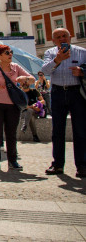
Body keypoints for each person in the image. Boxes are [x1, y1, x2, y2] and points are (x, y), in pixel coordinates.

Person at [41, 28, 86, 178]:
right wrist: (57, 59)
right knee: (57, 130)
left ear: (70, 37)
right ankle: (58, 164)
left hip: (77, 93)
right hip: (58, 92)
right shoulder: (50, 53)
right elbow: (45, 71)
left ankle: (82, 165)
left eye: (64, 36)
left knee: (80, 130)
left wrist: (81, 71)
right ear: (53, 41)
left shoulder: (82, 52)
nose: (62, 39)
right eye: (58, 37)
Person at [0, 44, 34, 171]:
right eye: (7, 53)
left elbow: (32, 79)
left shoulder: (16, 67)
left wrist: (25, 78)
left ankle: (13, 160)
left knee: (11, 133)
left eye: (11, 52)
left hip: (13, 104)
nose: (10, 54)